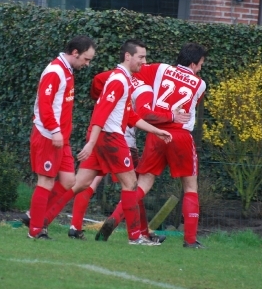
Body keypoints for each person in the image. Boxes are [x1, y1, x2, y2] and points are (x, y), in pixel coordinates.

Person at [40, 39, 173, 246]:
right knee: (131, 184)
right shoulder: (118, 80)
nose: (144, 62)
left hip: (104, 139)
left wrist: (157, 130)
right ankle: (136, 237)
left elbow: (130, 117)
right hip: (111, 139)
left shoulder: (124, 79)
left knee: (79, 183)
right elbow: (100, 114)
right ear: (128, 56)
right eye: (141, 57)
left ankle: (42, 222)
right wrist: (91, 143)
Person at [95, 42, 208, 249]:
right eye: (200, 64)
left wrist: (144, 95)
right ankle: (190, 241)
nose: (200, 68)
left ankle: (114, 217)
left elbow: (135, 71)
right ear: (193, 64)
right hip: (180, 135)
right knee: (190, 187)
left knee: (142, 185)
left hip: (156, 134)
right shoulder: (200, 84)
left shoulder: (161, 68)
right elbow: (191, 104)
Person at [67, 69, 190, 240]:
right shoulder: (143, 88)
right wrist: (170, 116)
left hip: (100, 134)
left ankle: (72, 225)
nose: (144, 64)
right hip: (122, 141)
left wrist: (100, 99)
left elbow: (97, 82)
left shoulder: (113, 75)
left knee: (87, 182)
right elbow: (144, 114)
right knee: (133, 187)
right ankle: (137, 232)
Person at [27, 35, 96, 239]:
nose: (87, 64)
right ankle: (35, 230)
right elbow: (44, 105)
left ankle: (36, 217)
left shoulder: (67, 71)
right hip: (49, 136)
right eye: (86, 59)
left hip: (60, 138)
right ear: (75, 53)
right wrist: (55, 130)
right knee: (46, 182)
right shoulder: (55, 71)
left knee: (68, 181)